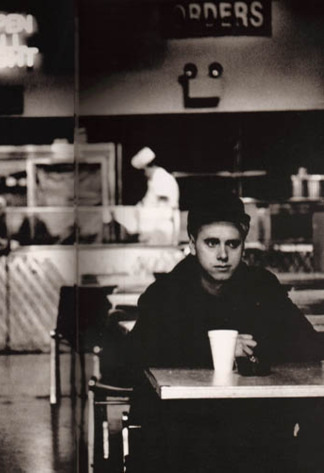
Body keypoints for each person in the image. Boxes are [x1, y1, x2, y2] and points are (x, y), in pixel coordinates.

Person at [124, 192, 324, 472]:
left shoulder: (262, 286)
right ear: (192, 244)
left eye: (232, 244)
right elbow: (130, 356)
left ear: (243, 246)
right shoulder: (166, 292)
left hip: (252, 434)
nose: (222, 255)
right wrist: (218, 348)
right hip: (182, 435)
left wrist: (258, 348)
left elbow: (309, 343)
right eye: (211, 243)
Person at [131, 147, 180, 245]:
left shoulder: (161, 177)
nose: (144, 175)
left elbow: (162, 207)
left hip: (159, 230)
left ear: (146, 168)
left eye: (143, 171)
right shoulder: (154, 179)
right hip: (154, 229)